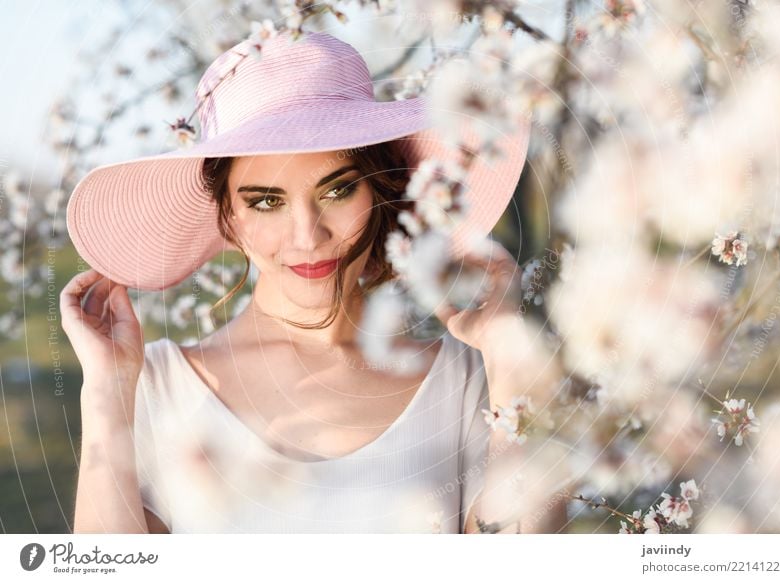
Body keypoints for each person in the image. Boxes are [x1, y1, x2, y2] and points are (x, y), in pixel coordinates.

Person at [60, 30, 534, 533]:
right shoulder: (157, 389)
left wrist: (511, 357)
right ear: (229, 219)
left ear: (381, 192)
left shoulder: (464, 380)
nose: (308, 236)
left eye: (339, 190)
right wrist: (107, 393)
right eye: (267, 201)